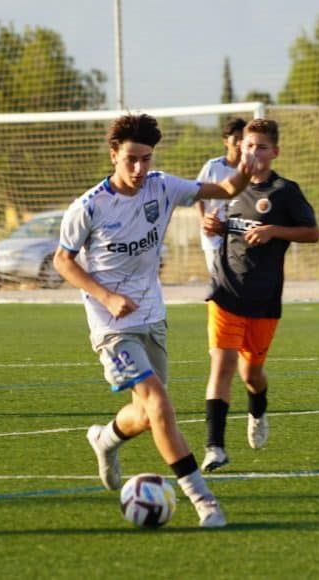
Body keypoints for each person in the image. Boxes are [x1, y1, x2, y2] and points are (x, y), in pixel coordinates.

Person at [53, 113, 258, 528]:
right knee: (160, 403)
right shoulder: (89, 206)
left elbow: (224, 188)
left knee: (147, 415)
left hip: (152, 319)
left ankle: (105, 438)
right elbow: (62, 261)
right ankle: (204, 502)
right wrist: (107, 296)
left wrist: (244, 169)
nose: (139, 168)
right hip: (112, 329)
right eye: (131, 158)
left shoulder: (162, 187)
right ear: (114, 154)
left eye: (146, 158)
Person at [198, 118, 319, 472]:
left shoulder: (284, 191)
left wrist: (274, 232)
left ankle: (258, 408)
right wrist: (215, 227)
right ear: (240, 149)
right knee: (221, 366)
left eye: (262, 146)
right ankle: (214, 447)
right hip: (225, 290)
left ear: (275, 152)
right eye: (248, 146)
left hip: (264, 298)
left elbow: (312, 233)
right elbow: (220, 225)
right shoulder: (227, 190)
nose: (253, 152)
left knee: (251, 374)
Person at [195, 117, 245, 273]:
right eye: (235, 138)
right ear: (226, 141)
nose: (239, 143)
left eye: (242, 139)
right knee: (218, 279)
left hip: (239, 232)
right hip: (214, 232)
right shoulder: (213, 167)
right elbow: (197, 196)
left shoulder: (250, 169)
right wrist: (203, 222)